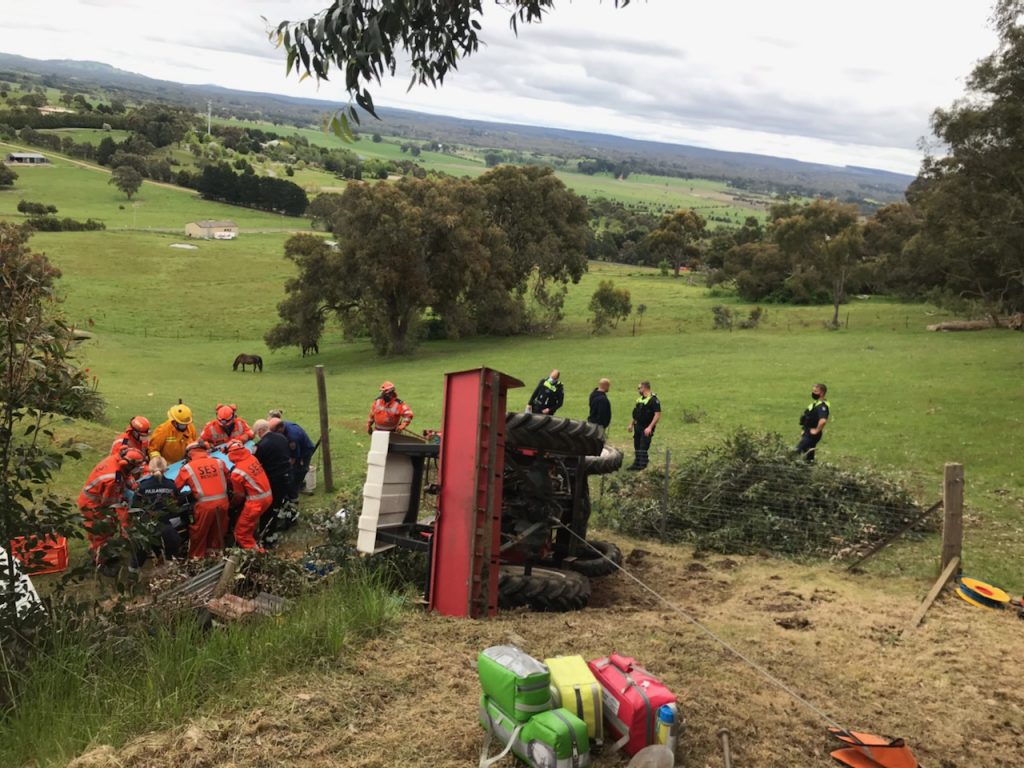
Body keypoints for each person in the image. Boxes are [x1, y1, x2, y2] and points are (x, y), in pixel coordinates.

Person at [78, 446, 146, 566]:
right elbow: (110, 502)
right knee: (101, 532)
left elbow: (126, 474)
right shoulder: (113, 479)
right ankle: (101, 562)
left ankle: (99, 552)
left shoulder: (117, 460)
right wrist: (123, 517)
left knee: (107, 527)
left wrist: (132, 485)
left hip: (97, 499)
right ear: (129, 465)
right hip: (93, 505)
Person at [175, 441, 230, 559]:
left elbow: (175, 489)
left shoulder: (187, 468)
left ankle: (197, 560)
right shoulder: (219, 462)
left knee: (199, 534)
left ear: (189, 454)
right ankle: (216, 557)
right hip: (223, 502)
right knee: (218, 533)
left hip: (204, 506)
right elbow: (228, 479)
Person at [131, 455, 185, 563]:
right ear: (165, 469)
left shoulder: (142, 486)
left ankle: (135, 569)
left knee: (141, 550)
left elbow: (134, 506)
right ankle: (172, 558)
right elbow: (177, 502)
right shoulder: (170, 484)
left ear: (150, 469)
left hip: (148, 523)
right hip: (167, 522)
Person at [225, 440, 273, 551]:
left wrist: (231, 505)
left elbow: (239, 495)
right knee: (250, 526)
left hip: (255, 503)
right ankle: (256, 544)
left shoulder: (237, 473)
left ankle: (258, 556)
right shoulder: (252, 458)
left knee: (241, 533)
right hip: (267, 497)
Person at [253, 418, 293, 545]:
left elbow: (256, 464)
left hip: (274, 479)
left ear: (260, 431)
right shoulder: (281, 438)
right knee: (279, 503)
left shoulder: (262, 445)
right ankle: (285, 521)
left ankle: (267, 535)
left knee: (269, 508)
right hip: (287, 474)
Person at [268, 409, 316, 500]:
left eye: (275, 432)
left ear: (280, 429)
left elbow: (294, 458)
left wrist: (284, 469)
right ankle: (299, 486)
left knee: (298, 471)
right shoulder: (282, 425)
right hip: (297, 449)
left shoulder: (292, 437)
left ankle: (293, 496)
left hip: (304, 451)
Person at [626, 380, 661, 471]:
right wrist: (631, 424)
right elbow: (636, 414)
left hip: (647, 427)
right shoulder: (639, 400)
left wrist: (650, 427)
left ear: (645, 388)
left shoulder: (653, 400)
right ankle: (636, 464)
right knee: (637, 446)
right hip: (638, 426)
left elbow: (657, 414)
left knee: (643, 446)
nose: (638, 390)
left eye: (639, 388)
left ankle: (642, 466)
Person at [796, 383, 830, 463]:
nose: (813, 393)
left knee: (797, 451)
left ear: (821, 393)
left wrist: (816, 430)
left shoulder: (822, 406)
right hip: (808, 432)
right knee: (809, 456)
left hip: (812, 434)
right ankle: (810, 468)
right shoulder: (815, 404)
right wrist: (804, 429)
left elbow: (823, 420)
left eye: (815, 391)